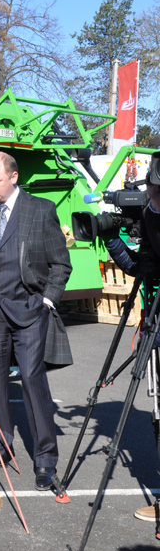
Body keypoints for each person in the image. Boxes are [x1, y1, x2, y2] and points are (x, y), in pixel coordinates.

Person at [0, 151, 73, 490]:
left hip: (29, 313)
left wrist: (47, 301)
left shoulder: (40, 210)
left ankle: (45, 460)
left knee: (33, 381)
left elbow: (60, 263)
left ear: (14, 177)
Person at [104, 152, 160, 525]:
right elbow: (139, 267)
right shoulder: (151, 217)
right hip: (155, 324)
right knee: (158, 416)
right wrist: (112, 239)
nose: (150, 197)